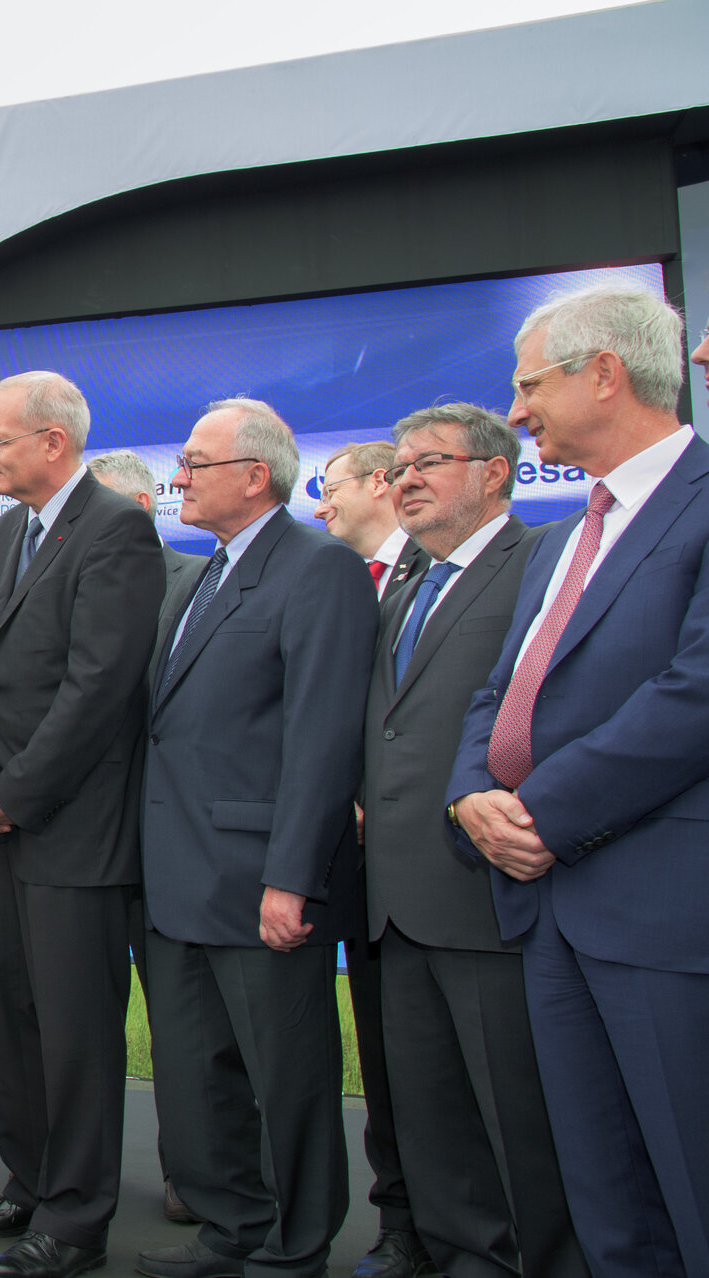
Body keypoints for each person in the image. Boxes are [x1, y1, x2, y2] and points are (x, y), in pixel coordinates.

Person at [448, 285, 709, 1275]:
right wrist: (472, 793)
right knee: (606, 1199)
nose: (517, 412)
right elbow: (498, 692)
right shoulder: (562, 539)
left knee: (688, 1189)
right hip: (548, 913)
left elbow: (695, 693)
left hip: (660, 916)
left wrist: (544, 811)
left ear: (606, 373)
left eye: (529, 384)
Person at [136, 400, 376, 1278]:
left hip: (261, 881)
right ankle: (229, 1230)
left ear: (255, 475)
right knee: (201, 1082)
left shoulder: (319, 570)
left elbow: (321, 741)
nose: (179, 478)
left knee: (289, 1080)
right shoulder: (202, 575)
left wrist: (293, 878)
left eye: (196, 462)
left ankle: (293, 1247)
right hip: (177, 881)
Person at [0, 373, 163, 1278]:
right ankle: (28, 1183)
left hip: (74, 826)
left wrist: (19, 789)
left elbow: (99, 686)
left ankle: (75, 1225)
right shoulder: (4, 534)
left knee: (75, 1032)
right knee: (12, 1014)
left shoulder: (117, 528)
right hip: (8, 819)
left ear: (53, 443)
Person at [363, 405, 585, 1278]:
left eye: (429, 462)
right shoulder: (403, 582)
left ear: (495, 473)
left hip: (488, 898)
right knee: (429, 1120)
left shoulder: (541, 565)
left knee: (520, 1127)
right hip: (395, 904)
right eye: (399, 465)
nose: (405, 478)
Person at [313, 436, 432, 1278]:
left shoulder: (440, 575)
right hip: (360, 873)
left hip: (440, 862)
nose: (322, 507)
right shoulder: (342, 586)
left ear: (380, 485)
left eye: (333, 488)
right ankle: (401, 1223)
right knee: (387, 1059)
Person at [88, 447, 206, 1229]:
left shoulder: (200, 581)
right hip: (87, 843)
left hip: (180, 847)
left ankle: (196, 1176)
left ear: (140, 504)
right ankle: (73, 1181)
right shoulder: (62, 584)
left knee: (189, 1028)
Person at [315, 441, 426, 596]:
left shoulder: (436, 564)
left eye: (330, 492)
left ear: (378, 483)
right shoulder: (336, 582)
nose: (318, 512)